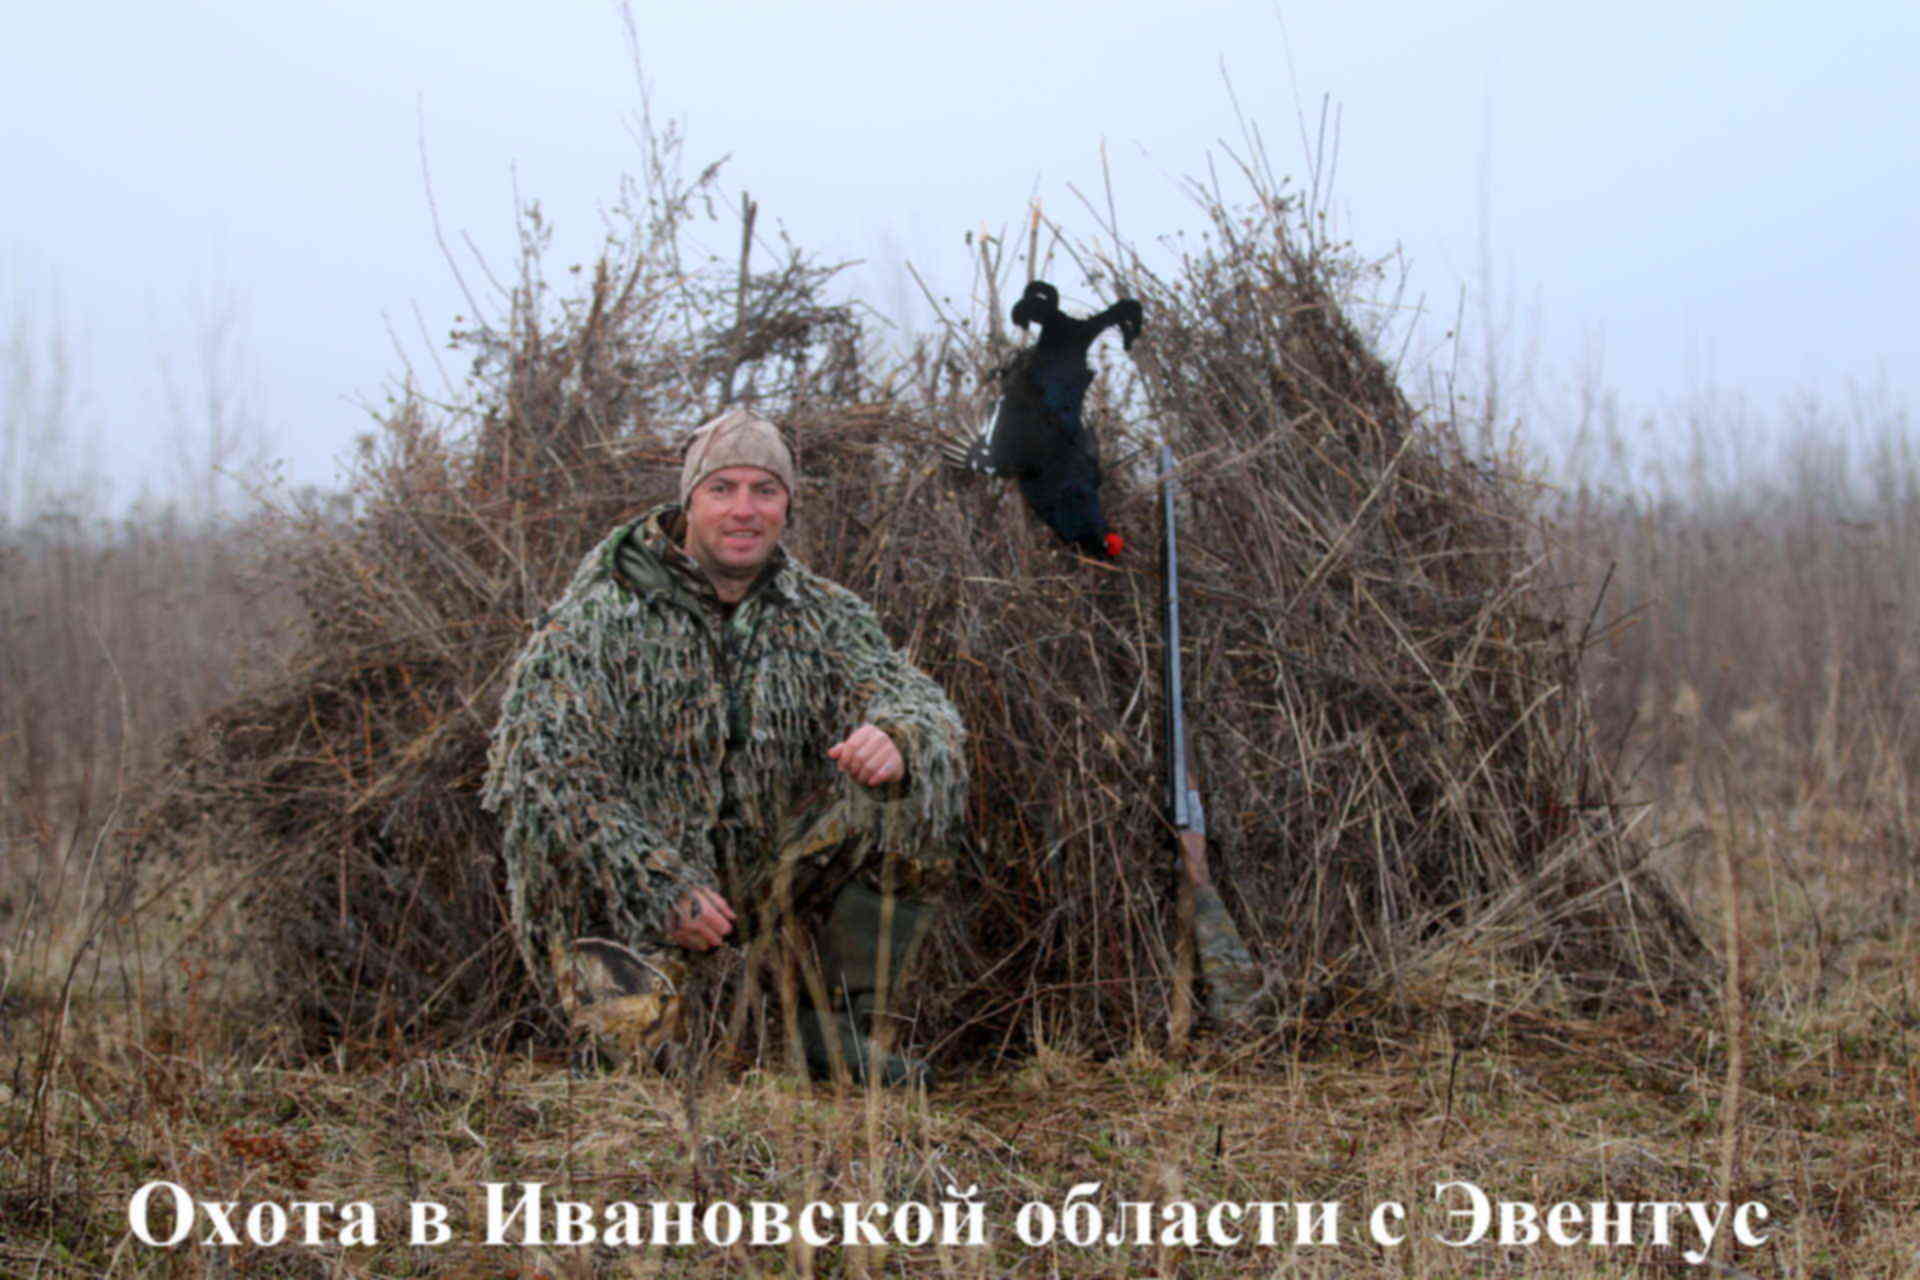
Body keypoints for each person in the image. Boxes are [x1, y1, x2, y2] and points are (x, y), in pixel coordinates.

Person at [482, 407, 967, 1085]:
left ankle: (834, 1031)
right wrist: (656, 885)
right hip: (638, 896)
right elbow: (542, 777)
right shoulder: (594, 619)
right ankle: (621, 1027)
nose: (744, 510)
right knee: (638, 1081)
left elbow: (920, 703)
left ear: (787, 506)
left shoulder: (822, 613)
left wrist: (897, 735)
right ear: (688, 502)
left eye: (764, 490)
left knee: (918, 788)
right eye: (723, 489)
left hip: (759, 879)